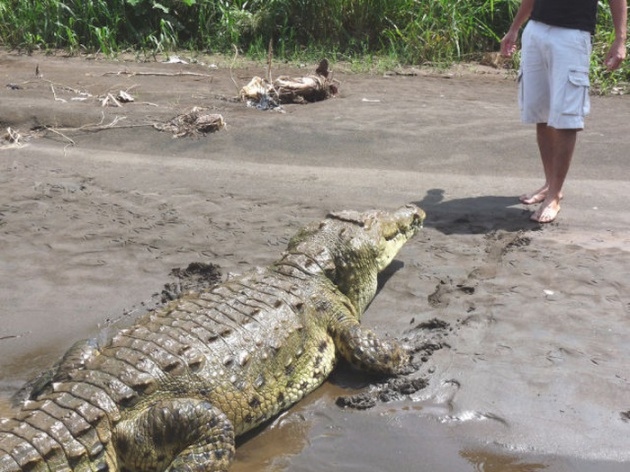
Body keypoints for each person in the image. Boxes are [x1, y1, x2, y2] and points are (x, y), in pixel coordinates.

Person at [500, 0, 627, 223]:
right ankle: (549, 184)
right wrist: (514, 28)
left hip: (572, 36)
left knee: (567, 117)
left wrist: (620, 40)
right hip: (536, 29)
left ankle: (555, 195)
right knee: (541, 112)